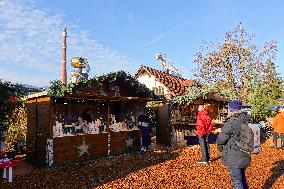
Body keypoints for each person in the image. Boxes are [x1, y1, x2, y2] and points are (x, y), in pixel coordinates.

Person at [217, 99, 251, 189]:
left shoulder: (231, 122)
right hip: (244, 154)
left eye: (228, 108)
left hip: (234, 156)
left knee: (237, 182)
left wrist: (220, 148)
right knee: (242, 179)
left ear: (231, 110)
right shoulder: (245, 120)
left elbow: (221, 139)